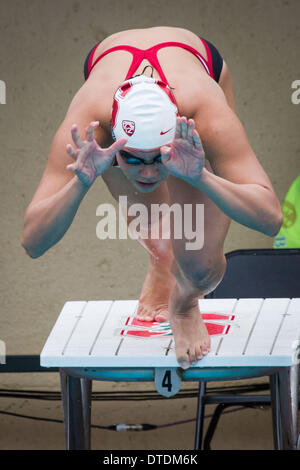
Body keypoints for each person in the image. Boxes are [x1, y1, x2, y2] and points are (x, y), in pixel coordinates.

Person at [21, 26, 283, 370]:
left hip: (200, 67)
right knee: (163, 247)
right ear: (114, 141)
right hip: (110, 71)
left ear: (176, 139)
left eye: (159, 158)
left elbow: (270, 218)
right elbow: (32, 243)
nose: (146, 173)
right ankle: (161, 264)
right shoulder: (91, 122)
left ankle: (184, 303)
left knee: (201, 270)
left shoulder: (206, 117)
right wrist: (80, 185)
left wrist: (201, 176)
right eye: (132, 159)